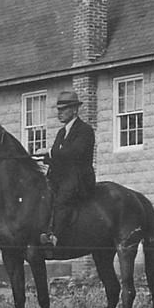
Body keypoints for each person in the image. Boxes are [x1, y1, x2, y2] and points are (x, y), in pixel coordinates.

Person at [35, 91, 96, 248]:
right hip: (61, 177)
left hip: (80, 178)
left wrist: (49, 152)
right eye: (59, 109)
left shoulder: (85, 130)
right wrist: (41, 160)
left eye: (64, 109)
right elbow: (58, 158)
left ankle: (55, 238)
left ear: (74, 110)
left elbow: (74, 153)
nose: (59, 113)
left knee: (62, 199)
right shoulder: (61, 132)